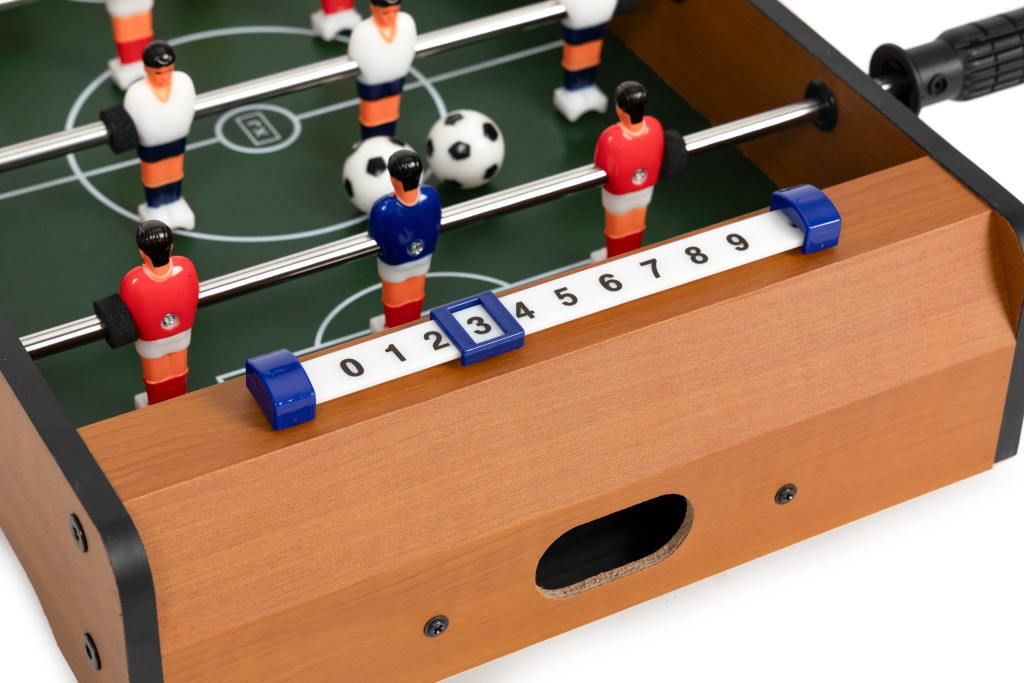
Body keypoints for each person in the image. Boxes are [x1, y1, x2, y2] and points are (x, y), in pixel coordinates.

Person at [120, 220, 199, 407]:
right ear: (171, 247)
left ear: (142, 252)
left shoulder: (133, 282)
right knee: (179, 370)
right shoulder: (185, 268)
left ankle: (158, 407)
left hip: (151, 341)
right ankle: (179, 401)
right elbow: (194, 294)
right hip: (181, 334)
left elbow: (127, 313)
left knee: (155, 377)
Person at [123, 41, 197, 230]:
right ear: (146, 69)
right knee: (155, 178)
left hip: (177, 139)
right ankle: (156, 207)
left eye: (169, 71)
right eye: (158, 73)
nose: (164, 77)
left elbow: (189, 106)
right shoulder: (136, 94)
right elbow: (132, 121)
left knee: (174, 173)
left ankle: (174, 202)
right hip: (151, 145)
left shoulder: (183, 83)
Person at [367, 151, 441, 329]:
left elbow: (374, 234)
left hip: (394, 263)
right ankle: (411, 324)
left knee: (395, 300)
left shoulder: (384, 208)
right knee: (416, 294)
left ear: (393, 179)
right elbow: (437, 221)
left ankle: (394, 328)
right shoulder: (431, 197)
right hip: (423, 256)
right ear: (420, 175)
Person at [593, 81, 666, 257]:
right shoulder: (655, 126)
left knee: (617, 229)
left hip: (618, 194)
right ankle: (631, 254)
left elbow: (599, 164)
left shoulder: (611, 138)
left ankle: (615, 257)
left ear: (620, 109)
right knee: (637, 224)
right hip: (646, 189)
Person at [347, 0, 417, 139]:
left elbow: (411, 44)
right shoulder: (363, 31)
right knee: (371, 118)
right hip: (371, 83)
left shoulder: (406, 23)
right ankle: (369, 143)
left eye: (394, 11)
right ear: (373, 8)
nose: (390, 17)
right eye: (385, 13)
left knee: (391, 114)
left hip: (396, 78)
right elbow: (355, 54)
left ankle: (388, 139)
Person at [553, 0, 616, 122]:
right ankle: (572, 89)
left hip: (599, 17)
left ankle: (588, 85)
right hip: (577, 21)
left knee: (592, 55)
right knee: (575, 57)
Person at [105, 0, 154, 89]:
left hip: (140, 5)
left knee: (142, 32)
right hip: (121, 7)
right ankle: (129, 64)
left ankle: (140, 60)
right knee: (125, 33)